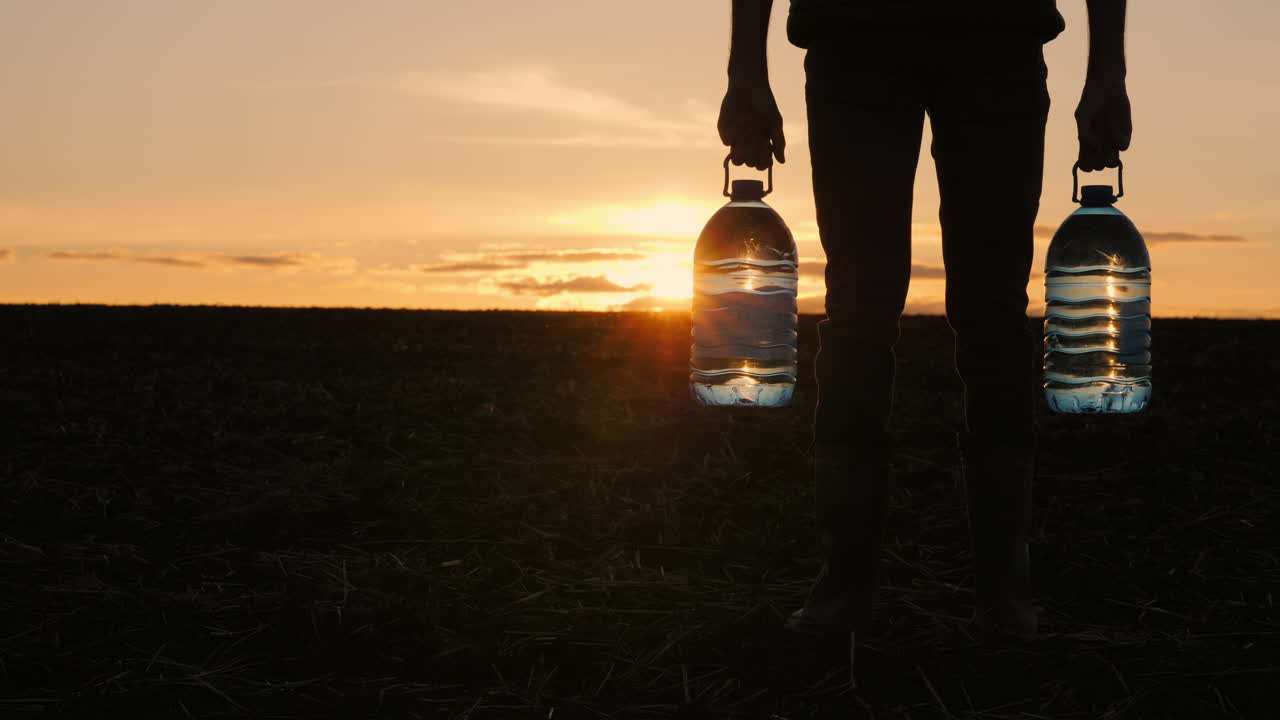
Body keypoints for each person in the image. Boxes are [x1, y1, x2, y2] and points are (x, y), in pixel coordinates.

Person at [717, 0, 1131, 646]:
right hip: (854, 38)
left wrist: (1108, 67)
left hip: (998, 36)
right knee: (858, 308)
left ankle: (1004, 595)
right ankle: (844, 589)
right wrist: (745, 65)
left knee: (993, 311)